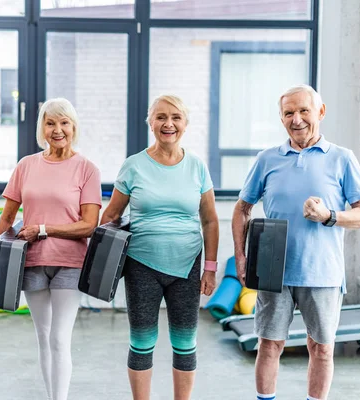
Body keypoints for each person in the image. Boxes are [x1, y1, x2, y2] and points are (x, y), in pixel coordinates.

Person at [231, 84, 360, 400]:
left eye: (303, 111)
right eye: (288, 113)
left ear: (320, 112)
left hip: (322, 271)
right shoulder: (267, 159)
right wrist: (241, 257)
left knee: (321, 348)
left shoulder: (342, 159)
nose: (296, 119)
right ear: (281, 118)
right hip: (271, 269)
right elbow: (242, 208)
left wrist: (329, 216)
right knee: (269, 345)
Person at [100, 94, 219, 400]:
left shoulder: (197, 167)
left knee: (185, 342)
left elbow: (210, 221)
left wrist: (210, 268)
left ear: (185, 124)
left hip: (188, 264)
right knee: (141, 341)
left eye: (176, 117)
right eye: (161, 117)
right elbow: (111, 216)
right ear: (150, 122)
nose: (168, 124)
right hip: (141, 264)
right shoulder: (133, 166)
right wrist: (98, 266)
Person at [0, 98, 102, 400]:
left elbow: (89, 225)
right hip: (31, 262)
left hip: (70, 263)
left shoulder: (86, 169)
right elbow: (6, 217)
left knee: (59, 337)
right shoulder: (26, 165)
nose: (57, 130)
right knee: (43, 337)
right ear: (42, 127)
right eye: (50, 123)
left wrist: (43, 230)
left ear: (73, 126)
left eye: (64, 123)